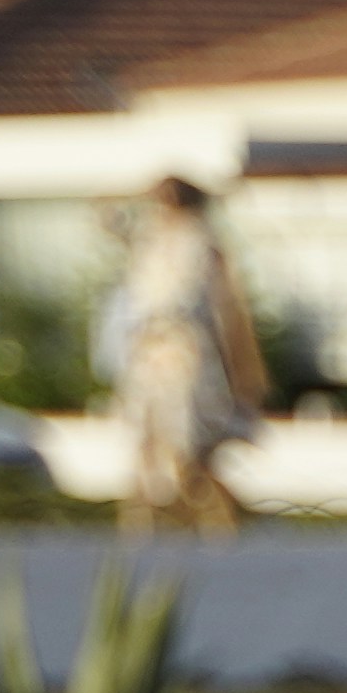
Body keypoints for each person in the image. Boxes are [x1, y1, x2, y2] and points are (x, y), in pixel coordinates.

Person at [100, 172, 260, 536]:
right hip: (145, 348)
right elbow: (105, 218)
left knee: (186, 441)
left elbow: (213, 301)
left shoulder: (201, 240)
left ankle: (217, 521)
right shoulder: (149, 237)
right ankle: (138, 525)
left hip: (185, 346)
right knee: (143, 435)